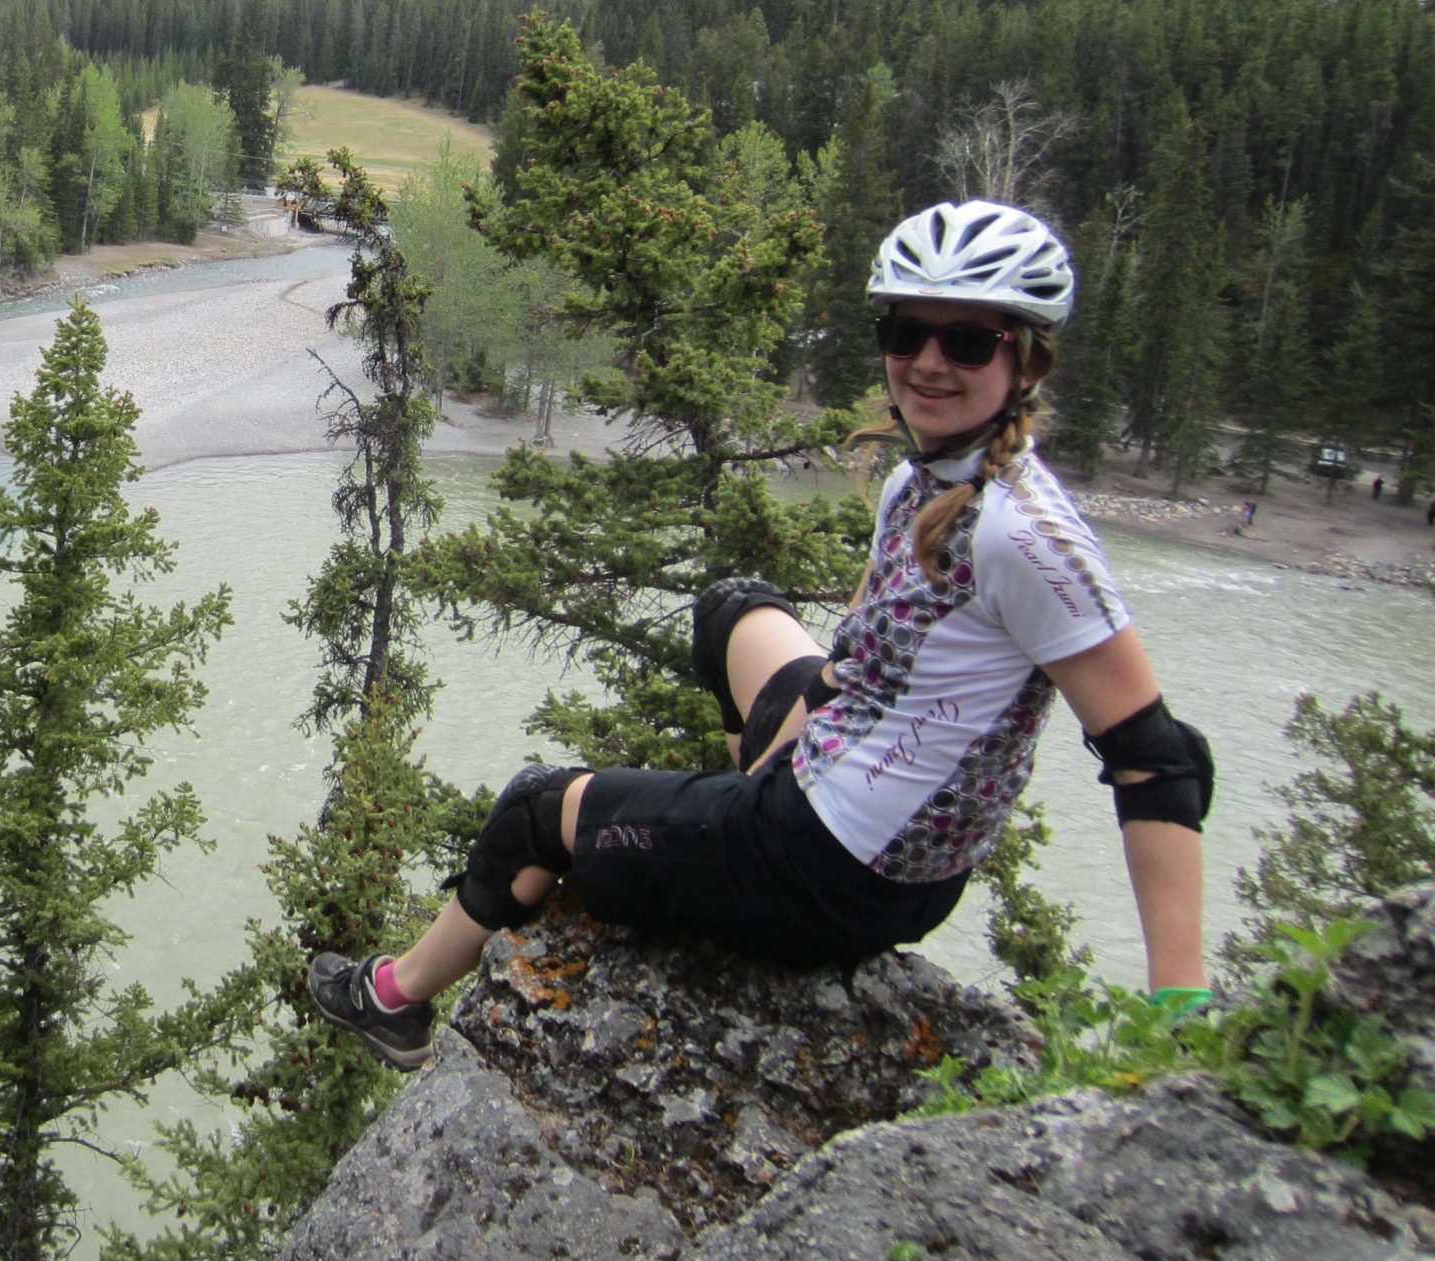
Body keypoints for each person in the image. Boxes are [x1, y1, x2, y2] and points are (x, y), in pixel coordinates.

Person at [311, 199, 1214, 1068]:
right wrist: (779, 752)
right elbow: (858, 659)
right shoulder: (925, 480)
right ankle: (732, 807)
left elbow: (1157, 759)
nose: (929, 362)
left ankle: (394, 1000)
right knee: (735, 608)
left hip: (833, 870)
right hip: (839, 793)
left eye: (967, 341)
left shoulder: (1023, 535)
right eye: (907, 334)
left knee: (536, 809)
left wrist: (1178, 1005)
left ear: (1026, 358)